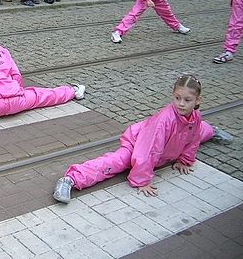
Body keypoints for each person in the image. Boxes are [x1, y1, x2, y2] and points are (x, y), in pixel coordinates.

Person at [53, 74, 234, 204]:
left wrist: (186, 160)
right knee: (117, 162)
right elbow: (148, 149)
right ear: (173, 95)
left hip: (172, 144)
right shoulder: (165, 120)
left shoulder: (195, 117)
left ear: (197, 100)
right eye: (177, 98)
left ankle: (214, 130)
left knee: (198, 131)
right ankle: (70, 180)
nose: (181, 104)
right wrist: (142, 179)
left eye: (187, 100)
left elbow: (194, 137)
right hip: (138, 144)